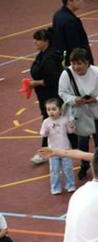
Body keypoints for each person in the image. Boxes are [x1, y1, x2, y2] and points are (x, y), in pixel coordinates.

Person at [58, 48, 98, 179]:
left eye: (79, 63)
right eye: (73, 63)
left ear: (87, 63)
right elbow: (62, 92)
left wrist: (96, 99)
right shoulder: (67, 74)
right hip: (81, 113)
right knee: (82, 141)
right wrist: (74, 100)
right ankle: (84, 165)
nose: (76, 67)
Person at [29, 28, 65, 164]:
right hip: (45, 95)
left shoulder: (50, 57)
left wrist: (36, 83)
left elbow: (54, 79)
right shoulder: (42, 54)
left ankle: (44, 152)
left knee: (49, 121)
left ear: (46, 41)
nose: (35, 42)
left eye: (38, 39)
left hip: (52, 96)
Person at [40, 98, 76, 194]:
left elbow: (70, 131)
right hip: (52, 151)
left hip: (65, 149)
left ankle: (70, 185)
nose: (51, 112)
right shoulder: (46, 122)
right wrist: (46, 131)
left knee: (68, 169)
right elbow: (43, 134)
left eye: (54, 109)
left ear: (60, 109)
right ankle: (55, 188)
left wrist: (72, 125)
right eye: (48, 109)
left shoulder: (64, 120)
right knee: (54, 171)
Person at [51, 0, 92, 65]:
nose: (81, 2)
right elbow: (75, 45)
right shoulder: (70, 21)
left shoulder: (58, 15)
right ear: (69, 1)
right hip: (73, 61)